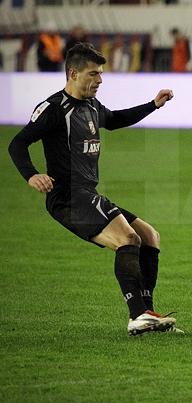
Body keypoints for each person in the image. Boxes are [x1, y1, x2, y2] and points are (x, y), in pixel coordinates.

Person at [8, 43, 179, 336]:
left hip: (87, 194)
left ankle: (147, 314)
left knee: (150, 236)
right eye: (94, 73)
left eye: (100, 73)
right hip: (68, 196)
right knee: (128, 238)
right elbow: (18, 143)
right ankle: (138, 314)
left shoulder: (90, 106)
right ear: (73, 74)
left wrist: (153, 105)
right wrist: (32, 175)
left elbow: (114, 120)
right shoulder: (52, 109)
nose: (100, 80)